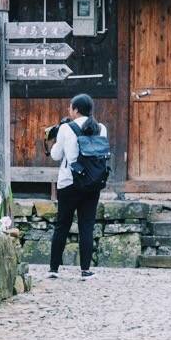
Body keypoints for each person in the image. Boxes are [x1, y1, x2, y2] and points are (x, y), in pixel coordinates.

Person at [48, 93, 111, 280]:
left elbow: (56, 156)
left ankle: (54, 269)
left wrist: (52, 140)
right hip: (93, 182)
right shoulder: (101, 128)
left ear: (75, 109)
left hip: (69, 182)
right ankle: (85, 270)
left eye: (70, 107)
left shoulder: (66, 129)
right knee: (87, 226)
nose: (69, 110)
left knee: (62, 225)